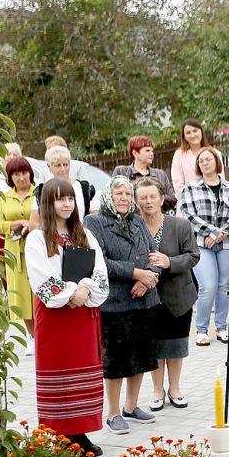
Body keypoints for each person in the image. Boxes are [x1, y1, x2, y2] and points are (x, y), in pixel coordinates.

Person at [24, 179, 109, 456]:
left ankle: (79, 432)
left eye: (70, 199)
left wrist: (85, 289)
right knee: (60, 373)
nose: (66, 204)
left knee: (82, 370)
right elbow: (42, 280)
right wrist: (71, 292)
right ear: (48, 203)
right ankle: (61, 434)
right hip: (56, 317)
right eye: (60, 199)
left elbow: (99, 270)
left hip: (82, 314)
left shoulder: (84, 234)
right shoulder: (37, 238)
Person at [84, 176, 160, 434]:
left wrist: (147, 279)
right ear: (109, 196)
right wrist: (135, 274)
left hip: (143, 298)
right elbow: (99, 262)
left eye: (128, 193)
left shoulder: (137, 220)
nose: (125, 198)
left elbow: (153, 255)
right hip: (115, 301)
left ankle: (131, 406)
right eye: (119, 193)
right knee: (115, 359)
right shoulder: (94, 222)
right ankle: (113, 412)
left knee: (140, 356)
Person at [137, 178, 199, 412]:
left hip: (178, 294)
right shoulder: (134, 226)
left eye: (152, 196)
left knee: (175, 344)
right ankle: (157, 390)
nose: (148, 201)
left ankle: (174, 388)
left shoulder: (179, 225)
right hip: (145, 296)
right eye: (143, 197)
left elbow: (193, 256)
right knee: (153, 345)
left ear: (162, 199)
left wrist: (168, 262)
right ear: (137, 201)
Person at [179, 146, 229, 347]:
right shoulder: (191, 188)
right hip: (201, 243)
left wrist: (220, 234)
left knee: (224, 286)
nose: (205, 163)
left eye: (208, 159)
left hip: (226, 242)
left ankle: (221, 327)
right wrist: (212, 232)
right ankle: (201, 329)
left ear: (217, 162)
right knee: (208, 285)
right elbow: (189, 215)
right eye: (201, 161)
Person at [0, 157, 37, 347]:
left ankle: (43, 336)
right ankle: (34, 338)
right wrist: (17, 224)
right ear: (11, 177)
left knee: (37, 295)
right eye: (16, 174)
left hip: (35, 251)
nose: (21, 178)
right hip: (14, 255)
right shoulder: (4, 198)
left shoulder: (39, 193)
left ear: (30, 173)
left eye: (24, 173)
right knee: (21, 300)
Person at [111, 136, 177, 214]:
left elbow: (172, 199)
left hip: (156, 221)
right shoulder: (121, 172)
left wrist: (153, 196)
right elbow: (113, 197)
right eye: (147, 151)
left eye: (152, 151)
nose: (151, 154)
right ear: (135, 153)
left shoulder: (160, 174)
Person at [33, 146, 96, 223]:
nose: (63, 169)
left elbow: (94, 216)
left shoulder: (84, 188)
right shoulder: (42, 191)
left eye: (65, 164)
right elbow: (34, 222)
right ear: (49, 167)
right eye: (58, 165)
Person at [170, 119, 221, 198]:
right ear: (184, 137)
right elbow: (178, 185)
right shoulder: (179, 155)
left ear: (201, 132)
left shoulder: (215, 153)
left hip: (213, 201)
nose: (192, 135)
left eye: (195, 131)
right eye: (188, 133)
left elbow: (221, 179)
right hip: (187, 203)